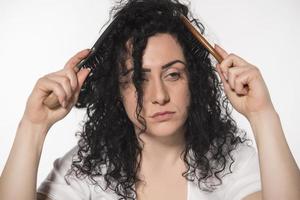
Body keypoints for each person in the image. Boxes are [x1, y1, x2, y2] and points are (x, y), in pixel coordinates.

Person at [0, 0, 299, 199]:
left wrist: (263, 114)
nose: (159, 96)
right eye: (137, 79)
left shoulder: (232, 163)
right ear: (116, 91)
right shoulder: (86, 170)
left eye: (173, 75)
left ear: (194, 80)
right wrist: (33, 126)